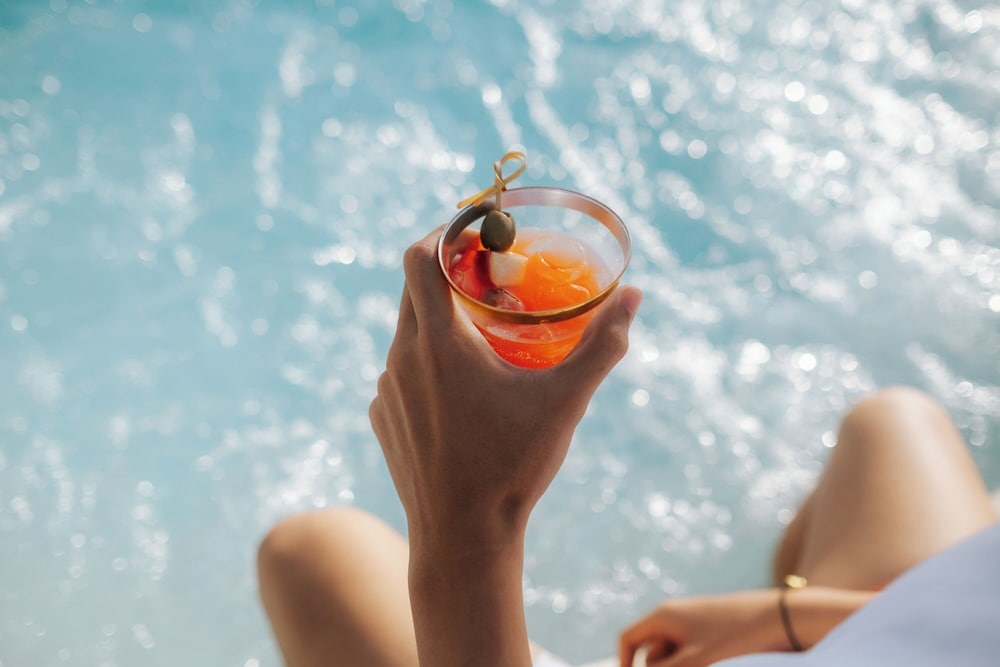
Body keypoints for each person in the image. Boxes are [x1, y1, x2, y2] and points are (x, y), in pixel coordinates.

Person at [256, 229, 1000, 667]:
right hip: (880, 640)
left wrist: (468, 532)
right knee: (896, 421)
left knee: (309, 553)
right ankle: (797, 580)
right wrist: (784, 617)